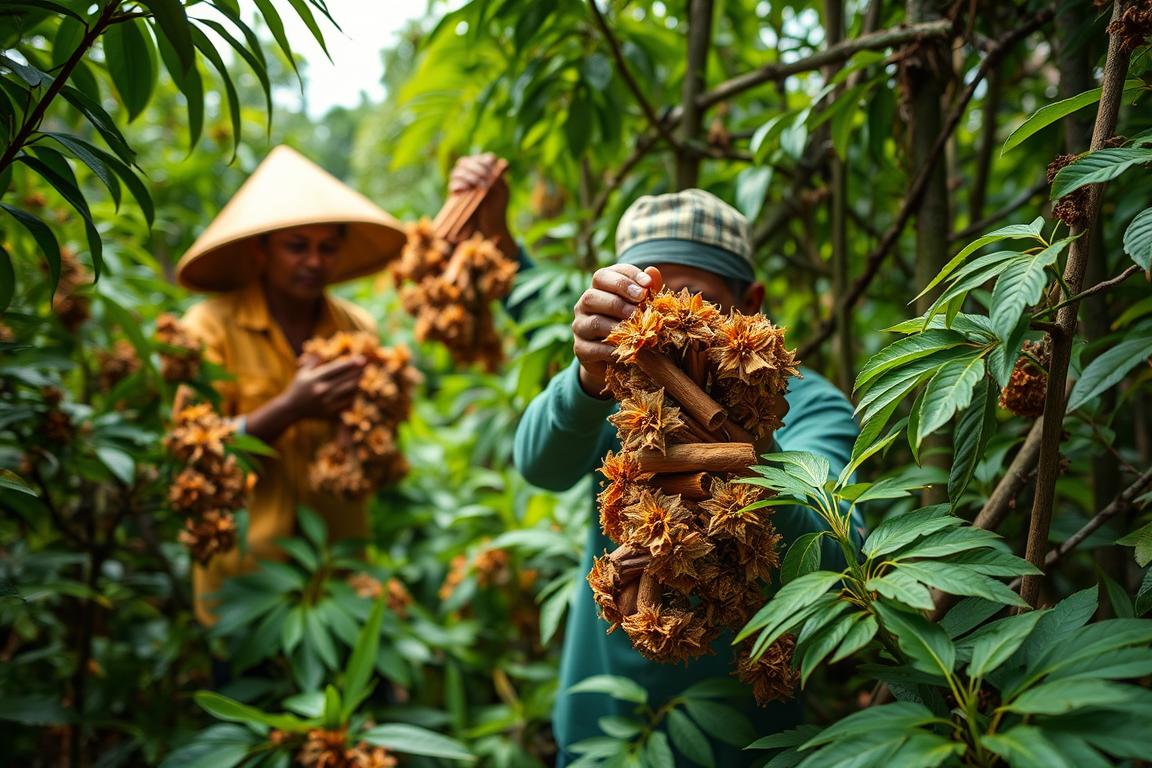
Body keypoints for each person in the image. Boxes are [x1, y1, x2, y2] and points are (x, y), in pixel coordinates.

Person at [512, 189, 863, 766]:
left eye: (694, 303)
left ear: (750, 302)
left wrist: (755, 446)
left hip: (748, 747)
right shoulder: (617, 393)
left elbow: (842, 555)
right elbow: (538, 465)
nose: (671, 329)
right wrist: (584, 381)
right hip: (602, 740)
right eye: (650, 307)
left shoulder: (810, 407)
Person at [175, 146, 513, 627]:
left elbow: (378, 445)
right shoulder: (206, 330)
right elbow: (190, 456)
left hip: (340, 582)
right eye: (297, 246)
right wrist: (291, 407)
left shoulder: (358, 332)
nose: (313, 260)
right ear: (261, 250)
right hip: (244, 589)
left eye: (327, 247)